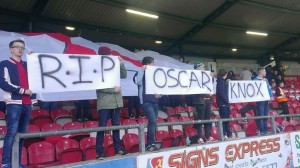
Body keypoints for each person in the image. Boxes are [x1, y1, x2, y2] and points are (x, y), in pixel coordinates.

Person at [0, 39, 37, 168]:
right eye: (17, 47)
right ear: (10, 49)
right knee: (12, 132)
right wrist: (22, 91)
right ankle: (5, 163)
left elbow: (38, 75)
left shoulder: (28, 64)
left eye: (22, 47)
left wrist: (34, 60)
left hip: (28, 104)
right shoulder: (4, 64)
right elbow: (3, 83)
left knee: (21, 134)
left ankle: (17, 162)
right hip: (14, 103)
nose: (20, 49)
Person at [96, 56, 127, 160]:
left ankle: (117, 149)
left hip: (116, 103)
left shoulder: (115, 66)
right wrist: (113, 90)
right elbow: (98, 85)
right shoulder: (96, 68)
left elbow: (124, 75)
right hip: (105, 103)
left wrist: (121, 63)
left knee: (116, 127)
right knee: (102, 127)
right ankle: (99, 152)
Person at [136, 56, 160, 151]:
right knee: (153, 121)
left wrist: (160, 95)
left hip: (155, 101)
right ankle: (150, 144)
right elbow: (137, 82)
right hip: (146, 101)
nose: (154, 65)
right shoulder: (141, 72)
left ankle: (151, 143)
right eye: (152, 63)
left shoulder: (155, 74)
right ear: (147, 64)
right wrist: (142, 70)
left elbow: (159, 86)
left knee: (153, 122)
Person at [192, 62, 215, 143]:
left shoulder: (206, 76)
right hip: (200, 101)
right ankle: (199, 137)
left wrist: (211, 78)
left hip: (207, 99)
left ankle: (208, 137)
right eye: (202, 67)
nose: (204, 68)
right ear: (198, 68)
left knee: (207, 119)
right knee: (200, 120)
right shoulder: (194, 77)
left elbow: (209, 85)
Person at [253, 67, 273, 136]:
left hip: (266, 100)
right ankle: (262, 130)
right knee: (261, 115)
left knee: (266, 115)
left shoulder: (266, 80)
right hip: (260, 100)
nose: (265, 73)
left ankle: (265, 129)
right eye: (264, 71)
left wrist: (271, 96)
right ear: (260, 72)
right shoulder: (255, 80)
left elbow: (269, 88)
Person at [216, 69, 233, 140]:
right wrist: (227, 101)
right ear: (225, 74)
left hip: (224, 104)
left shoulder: (222, 82)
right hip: (223, 104)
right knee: (224, 120)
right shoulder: (221, 82)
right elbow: (222, 94)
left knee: (226, 120)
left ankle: (229, 134)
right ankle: (224, 135)